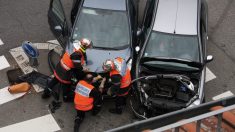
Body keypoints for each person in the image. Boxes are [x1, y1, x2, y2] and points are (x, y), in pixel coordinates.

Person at [42, 38, 93, 102]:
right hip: (66, 73)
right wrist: (84, 69)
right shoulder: (77, 54)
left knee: (54, 80)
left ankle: (45, 93)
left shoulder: (75, 45)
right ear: (85, 46)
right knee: (66, 86)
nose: (89, 47)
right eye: (88, 46)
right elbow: (77, 66)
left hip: (60, 67)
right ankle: (66, 98)